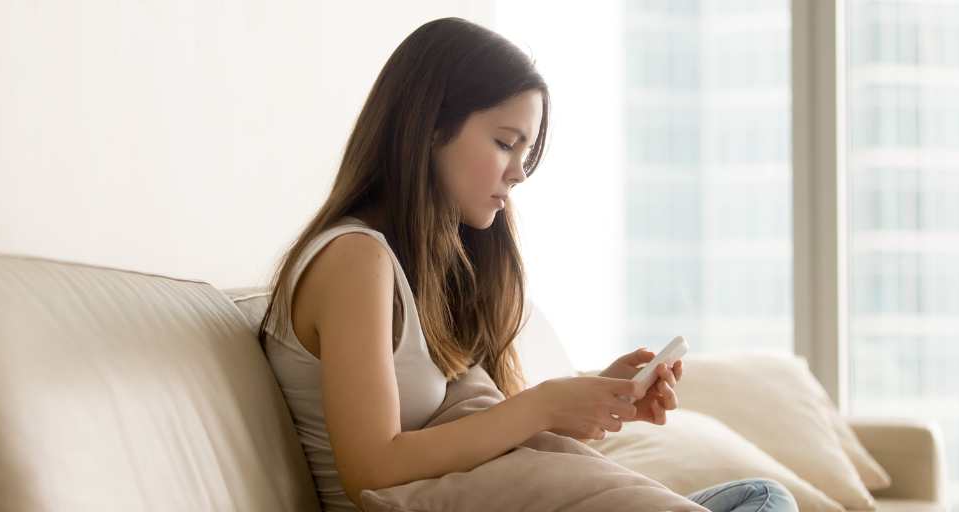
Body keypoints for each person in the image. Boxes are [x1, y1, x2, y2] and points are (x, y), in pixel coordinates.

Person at [256, 16, 799, 512]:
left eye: (527, 152)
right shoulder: (355, 259)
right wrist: (541, 407)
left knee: (762, 497)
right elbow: (370, 470)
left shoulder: (436, 263)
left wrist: (595, 404)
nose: (519, 173)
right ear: (429, 128)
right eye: (504, 142)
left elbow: (488, 449)